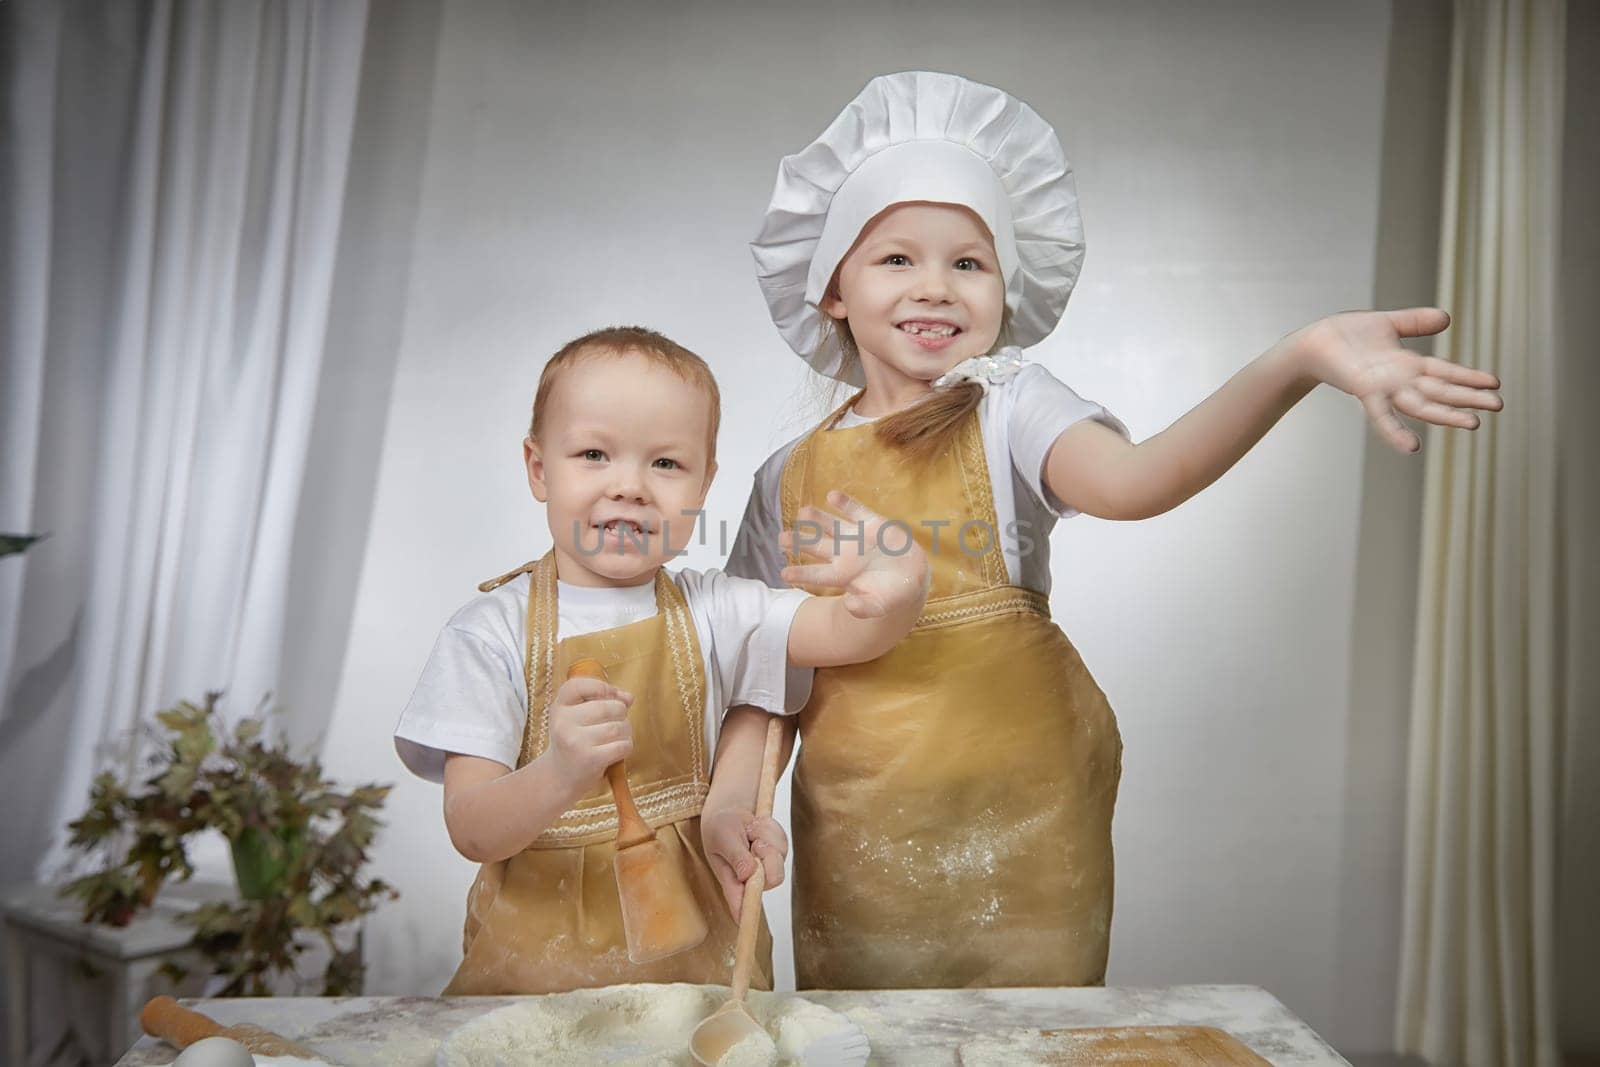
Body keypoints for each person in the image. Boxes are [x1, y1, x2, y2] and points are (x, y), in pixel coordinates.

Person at [718, 71, 1503, 989]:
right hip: (860, 827)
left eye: (968, 263)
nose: (935, 286)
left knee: (1030, 1037)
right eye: (896, 258)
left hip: (1028, 805)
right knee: (870, 1036)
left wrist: (1299, 359)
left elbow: (1140, 481)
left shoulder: (1009, 407)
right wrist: (733, 799)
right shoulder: (788, 479)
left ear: (1005, 293)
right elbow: (763, 671)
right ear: (832, 291)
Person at [393, 325, 929, 994]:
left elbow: (850, 631)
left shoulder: (716, 611)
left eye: (666, 464)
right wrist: (559, 771)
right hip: (536, 972)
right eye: (593, 453)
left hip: (695, 966)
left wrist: (900, 574)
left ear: (705, 483)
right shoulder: (488, 634)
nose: (630, 486)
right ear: (538, 468)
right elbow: (471, 828)